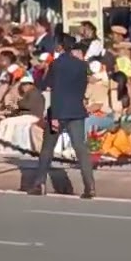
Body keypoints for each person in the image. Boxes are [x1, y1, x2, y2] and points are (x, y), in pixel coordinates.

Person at [27, 35, 96, 199]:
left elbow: (51, 88)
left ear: (60, 47)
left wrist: (56, 115)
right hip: (77, 109)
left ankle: (40, 183)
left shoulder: (56, 64)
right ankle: (90, 186)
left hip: (58, 110)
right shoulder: (82, 65)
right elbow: (83, 86)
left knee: (47, 149)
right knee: (81, 148)